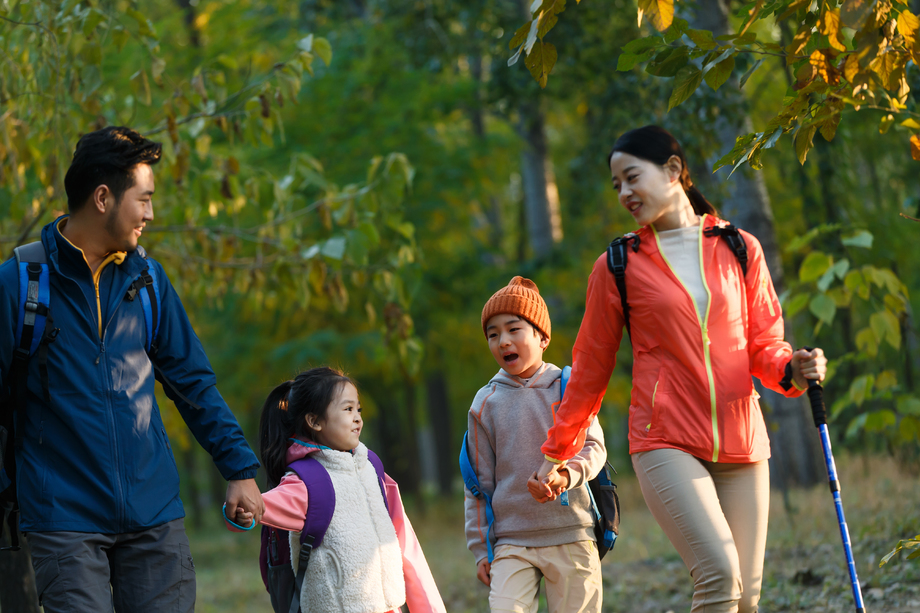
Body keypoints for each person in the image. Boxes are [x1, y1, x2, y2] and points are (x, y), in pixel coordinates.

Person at [532, 125, 827, 613]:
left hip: (742, 439)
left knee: (746, 599)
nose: (625, 193)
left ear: (673, 170)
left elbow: (763, 346)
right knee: (719, 576)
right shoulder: (619, 264)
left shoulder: (739, 247)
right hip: (664, 440)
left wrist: (792, 367)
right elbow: (589, 369)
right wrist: (558, 450)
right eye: (617, 186)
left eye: (632, 177)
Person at [0, 126, 264, 612]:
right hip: (64, 521)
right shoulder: (19, 284)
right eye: (143, 199)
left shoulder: (148, 281)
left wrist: (239, 466)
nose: (150, 213)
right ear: (103, 198)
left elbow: (193, 382)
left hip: (154, 517)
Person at [227, 366, 446, 613]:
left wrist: (427, 607)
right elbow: (255, 506)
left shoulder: (371, 468)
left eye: (358, 409)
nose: (357, 417)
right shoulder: (305, 483)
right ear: (315, 421)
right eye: (348, 409)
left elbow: (405, 543)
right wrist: (240, 512)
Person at [464, 276, 607, 613]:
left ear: (543, 337)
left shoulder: (569, 389)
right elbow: (477, 485)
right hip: (512, 542)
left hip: (572, 532)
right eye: (493, 334)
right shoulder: (485, 403)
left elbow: (594, 448)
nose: (503, 341)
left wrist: (567, 476)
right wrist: (481, 549)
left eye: (514, 329)